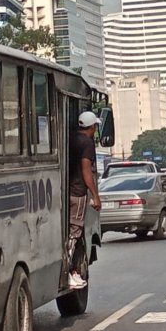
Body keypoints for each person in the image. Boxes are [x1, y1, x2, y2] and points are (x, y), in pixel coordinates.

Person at [67, 111, 102, 289]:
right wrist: (95, 195)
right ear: (92, 127)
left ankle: (70, 271)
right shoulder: (87, 143)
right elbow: (86, 171)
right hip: (78, 192)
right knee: (74, 232)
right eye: (95, 126)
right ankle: (68, 272)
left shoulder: (70, 138)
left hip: (67, 191)